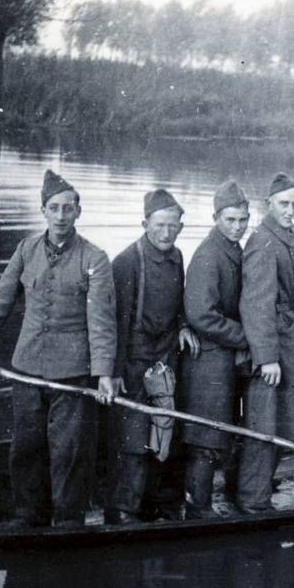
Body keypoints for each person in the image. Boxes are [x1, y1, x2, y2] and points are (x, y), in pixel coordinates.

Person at [0, 169, 117, 528]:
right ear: (43, 211)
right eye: (54, 208)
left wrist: (103, 374)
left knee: (70, 450)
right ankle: (29, 514)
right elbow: (0, 301)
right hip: (27, 367)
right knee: (27, 446)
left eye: (68, 208)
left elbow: (102, 322)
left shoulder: (94, 258)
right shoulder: (25, 249)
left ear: (79, 212)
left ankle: (67, 518)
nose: (61, 216)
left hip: (72, 373)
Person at [105, 188, 200, 524]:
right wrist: (114, 372)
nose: (166, 233)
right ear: (145, 223)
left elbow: (177, 305)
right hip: (132, 361)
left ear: (180, 227)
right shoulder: (127, 262)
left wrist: (185, 325)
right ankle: (123, 510)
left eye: (173, 226)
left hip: (166, 360)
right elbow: (115, 323)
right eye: (159, 225)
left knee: (164, 431)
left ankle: (157, 503)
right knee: (133, 438)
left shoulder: (177, 257)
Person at [237, 172, 294, 513]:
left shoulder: (283, 235)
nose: (290, 210)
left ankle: (258, 492)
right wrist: (266, 357)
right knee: (264, 423)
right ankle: (253, 500)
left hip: (286, 339)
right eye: (284, 204)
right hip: (272, 348)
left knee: (277, 420)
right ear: (268, 204)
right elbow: (256, 305)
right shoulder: (264, 242)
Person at [180, 180, 251, 519]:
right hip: (208, 362)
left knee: (220, 430)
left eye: (242, 220)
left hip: (223, 359)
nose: (237, 227)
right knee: (206, 436)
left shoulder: (231, 250)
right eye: (230, 220)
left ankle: (207, 498)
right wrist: (246, 336)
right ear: (215, 218)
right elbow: (200, 315)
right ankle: (198, 506)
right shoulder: (209, 255)